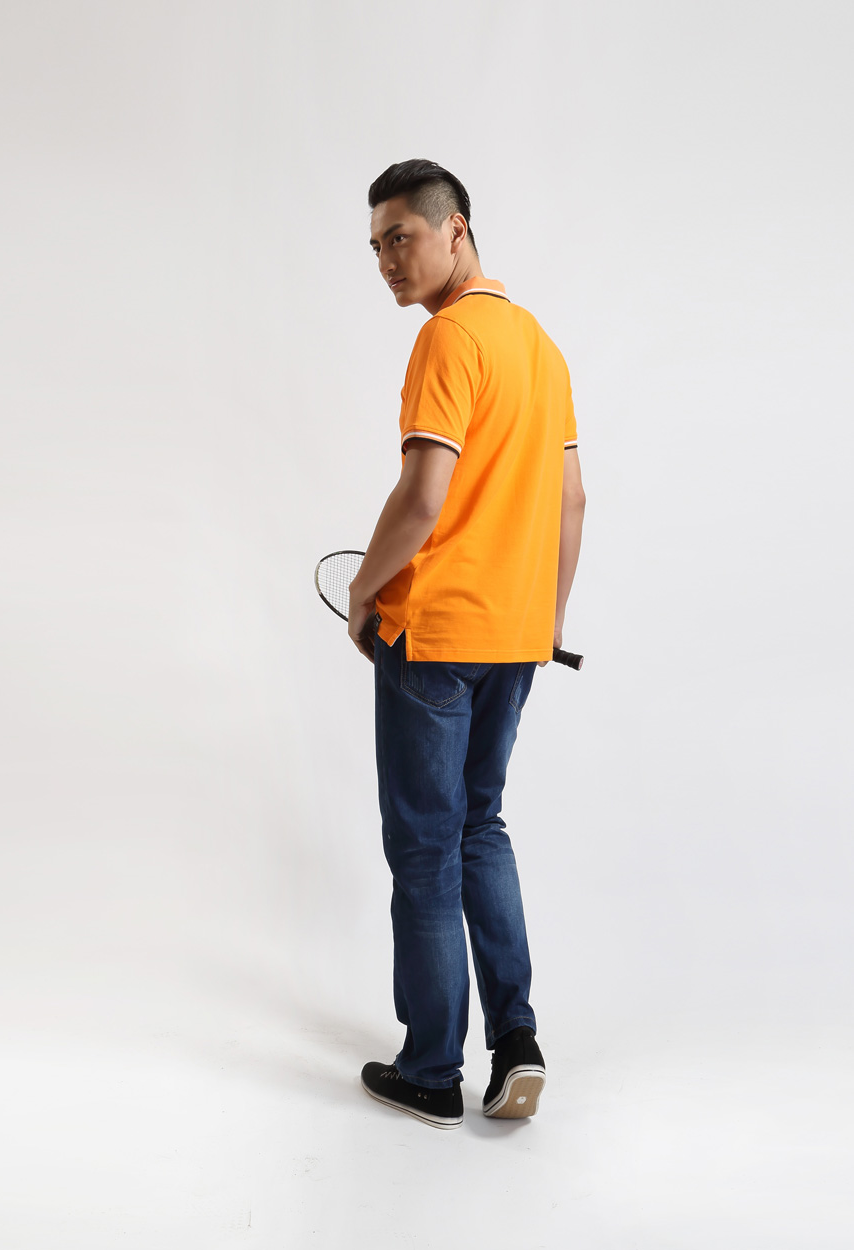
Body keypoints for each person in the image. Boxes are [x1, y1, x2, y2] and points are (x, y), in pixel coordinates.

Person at [347, 159, 586, 1129]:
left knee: (424, 848)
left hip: (437, 632)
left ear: (456, 230)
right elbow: (572, 500)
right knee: (479, 824)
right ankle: (516, 1039)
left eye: (400, 237)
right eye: (375, 247)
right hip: (516, 635)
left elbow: (422, 496)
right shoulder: (539, 345)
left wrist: (364, 590)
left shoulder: (448, 337)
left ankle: (431, 1069)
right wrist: (545, 619)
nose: (386, 261)